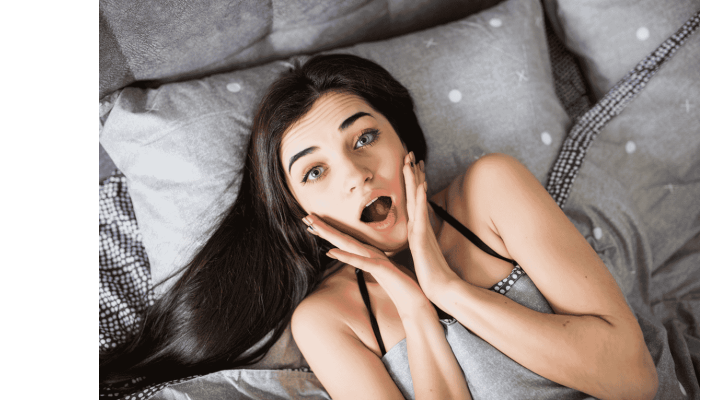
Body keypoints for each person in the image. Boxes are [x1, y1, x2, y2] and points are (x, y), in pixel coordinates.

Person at [101, 54, 658, 399]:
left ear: (405, 142)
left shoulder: (491, 189)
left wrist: (448, 289)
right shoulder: (328, 320)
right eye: (315, 171)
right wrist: (415, 304)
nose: (356, 175)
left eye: (365, 137)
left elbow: (633, 379)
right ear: (298, 210)